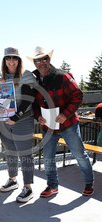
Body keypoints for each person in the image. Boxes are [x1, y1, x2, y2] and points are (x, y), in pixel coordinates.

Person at [27, 46, 94, 197]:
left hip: (68, 124)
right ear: (35, 63)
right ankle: (52, 186)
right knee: (48, 157)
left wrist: (65, 114)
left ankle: (89, 183)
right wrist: (38, 116)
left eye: (45, 59)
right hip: (48, 126)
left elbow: (78, 95)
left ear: (49, 60)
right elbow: (34, 104)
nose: (42, 62)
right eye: (38, 60)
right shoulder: (34, 80)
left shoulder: (63, 76)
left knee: (79, 155)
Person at [0, 47, 35, 203]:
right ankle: (13, 180)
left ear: (19, 60)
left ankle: (28, 187)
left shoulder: (26, 75)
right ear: (4, 60)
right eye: (8, 58)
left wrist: (16, 118)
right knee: (10, 151)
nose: (11, 61)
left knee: (25, 155)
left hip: (22, 121)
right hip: (4, 122)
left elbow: (28, 100)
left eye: (14, 58)